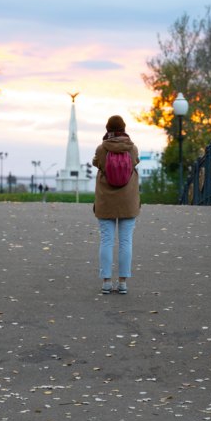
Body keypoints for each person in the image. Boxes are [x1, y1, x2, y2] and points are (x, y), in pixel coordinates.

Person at [92, 115, 140, 295]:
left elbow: (97, 163)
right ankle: (122, 283)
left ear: (108, 129)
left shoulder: (101, 149)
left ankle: (106, 282)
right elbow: (135, 162)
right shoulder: (132, 148)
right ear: (124, 128)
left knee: (106, 240)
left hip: (106, 201)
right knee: (126, 241)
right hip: (128, 201)